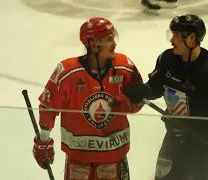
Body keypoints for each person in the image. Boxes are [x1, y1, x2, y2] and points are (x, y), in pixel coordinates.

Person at [125, 14, 208, 179]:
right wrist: (145, 90)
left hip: (207, 146)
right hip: (174, 138)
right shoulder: (166, 59)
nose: (171, 40)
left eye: (176, 36)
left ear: (192, 39)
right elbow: (157, 86)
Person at [32, 17, 144, 180]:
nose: (114, 44)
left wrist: (131, 102)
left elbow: (139, 101)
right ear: (93, 44)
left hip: (114, 156)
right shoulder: (67, 72)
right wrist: (43, 139)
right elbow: (49, 106)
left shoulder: (125, 67)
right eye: (109, 40)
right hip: (79, 158)